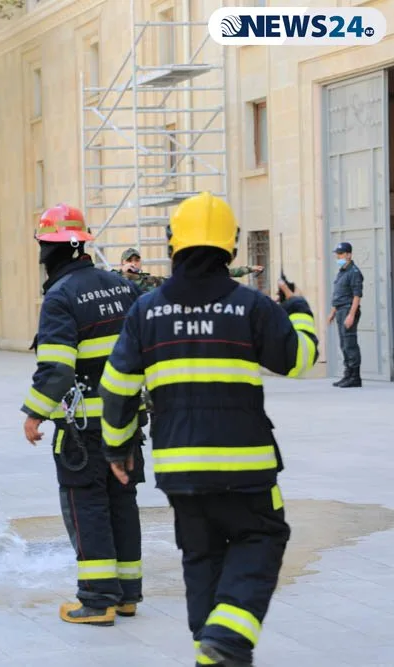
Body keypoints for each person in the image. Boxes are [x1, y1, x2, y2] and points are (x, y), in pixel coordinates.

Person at [98, 192, 319, 667]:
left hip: (180, 468)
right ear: (231, 248)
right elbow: (299, 360)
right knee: (261, 538)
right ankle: (229, 635)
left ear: (173, 245)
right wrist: (298, 307)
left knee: (201, 558)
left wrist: (117, 449)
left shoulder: (146, 311)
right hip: (246, 468)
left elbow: (115, 388)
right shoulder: (252, 306)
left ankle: (212, 653)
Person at [21, 203, 145, 627]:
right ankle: (127, 594)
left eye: (43, 245)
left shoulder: (61, 296)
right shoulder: (121, 286)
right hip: (126, 419)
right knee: (121, 501)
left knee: (86, 504)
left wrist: (34, 413)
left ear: (54, 250)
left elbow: (57, 369)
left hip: (84, 426)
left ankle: (96, 599)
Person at [116, 247, 264, 293]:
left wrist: (247, 269)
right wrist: (123, 272)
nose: (134, 263)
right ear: (122, 262)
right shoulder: (116, 278)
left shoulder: (149, 280)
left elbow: (207, 273)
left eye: (136, 260)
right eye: (129, 260)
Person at [328, 241, 363, 388]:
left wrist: (351, 315)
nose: (338, 256)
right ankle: (347, 374)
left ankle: (355, 377)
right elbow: (340, 295)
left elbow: (356, 296)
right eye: (337, 254)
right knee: (344, 344)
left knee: (350, 344)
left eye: (341, 253)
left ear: (349, 254)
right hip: (341, 310)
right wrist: (332, 312)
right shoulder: (342, 271)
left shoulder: (354, 272)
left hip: (348, 310)